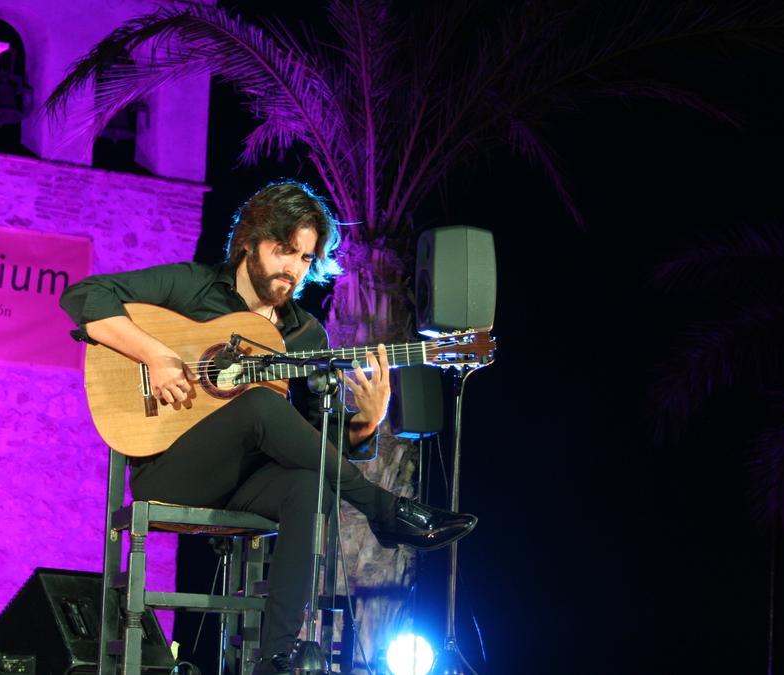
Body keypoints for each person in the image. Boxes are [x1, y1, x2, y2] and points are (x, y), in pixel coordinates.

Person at [60, 181, 477, 675]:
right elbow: (83, 295)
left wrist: (365, 425)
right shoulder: (191, 287)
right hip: (172, 471)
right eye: (284, 250)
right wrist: (158, 354)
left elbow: (307, 441)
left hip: (248, 482)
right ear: (250, 241)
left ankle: (274, 656)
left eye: (305, 257)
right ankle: (386, 511)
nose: (293, 268)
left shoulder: (305, 335)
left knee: (307, 485)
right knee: (258, 404)